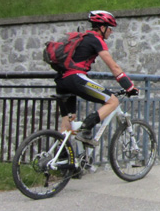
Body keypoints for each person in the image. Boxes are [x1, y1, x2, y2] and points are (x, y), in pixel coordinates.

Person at [54, 10, 139, 145]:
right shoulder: (96, 40)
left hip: (61, 80)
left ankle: (63, 160)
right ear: (102, 28)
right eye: (109, 28)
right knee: (113, 101)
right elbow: (114, 67)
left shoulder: (83, 38)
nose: (111, 32)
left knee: (68, 122)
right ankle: (87, 127)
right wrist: (129, 86)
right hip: (75, 78)